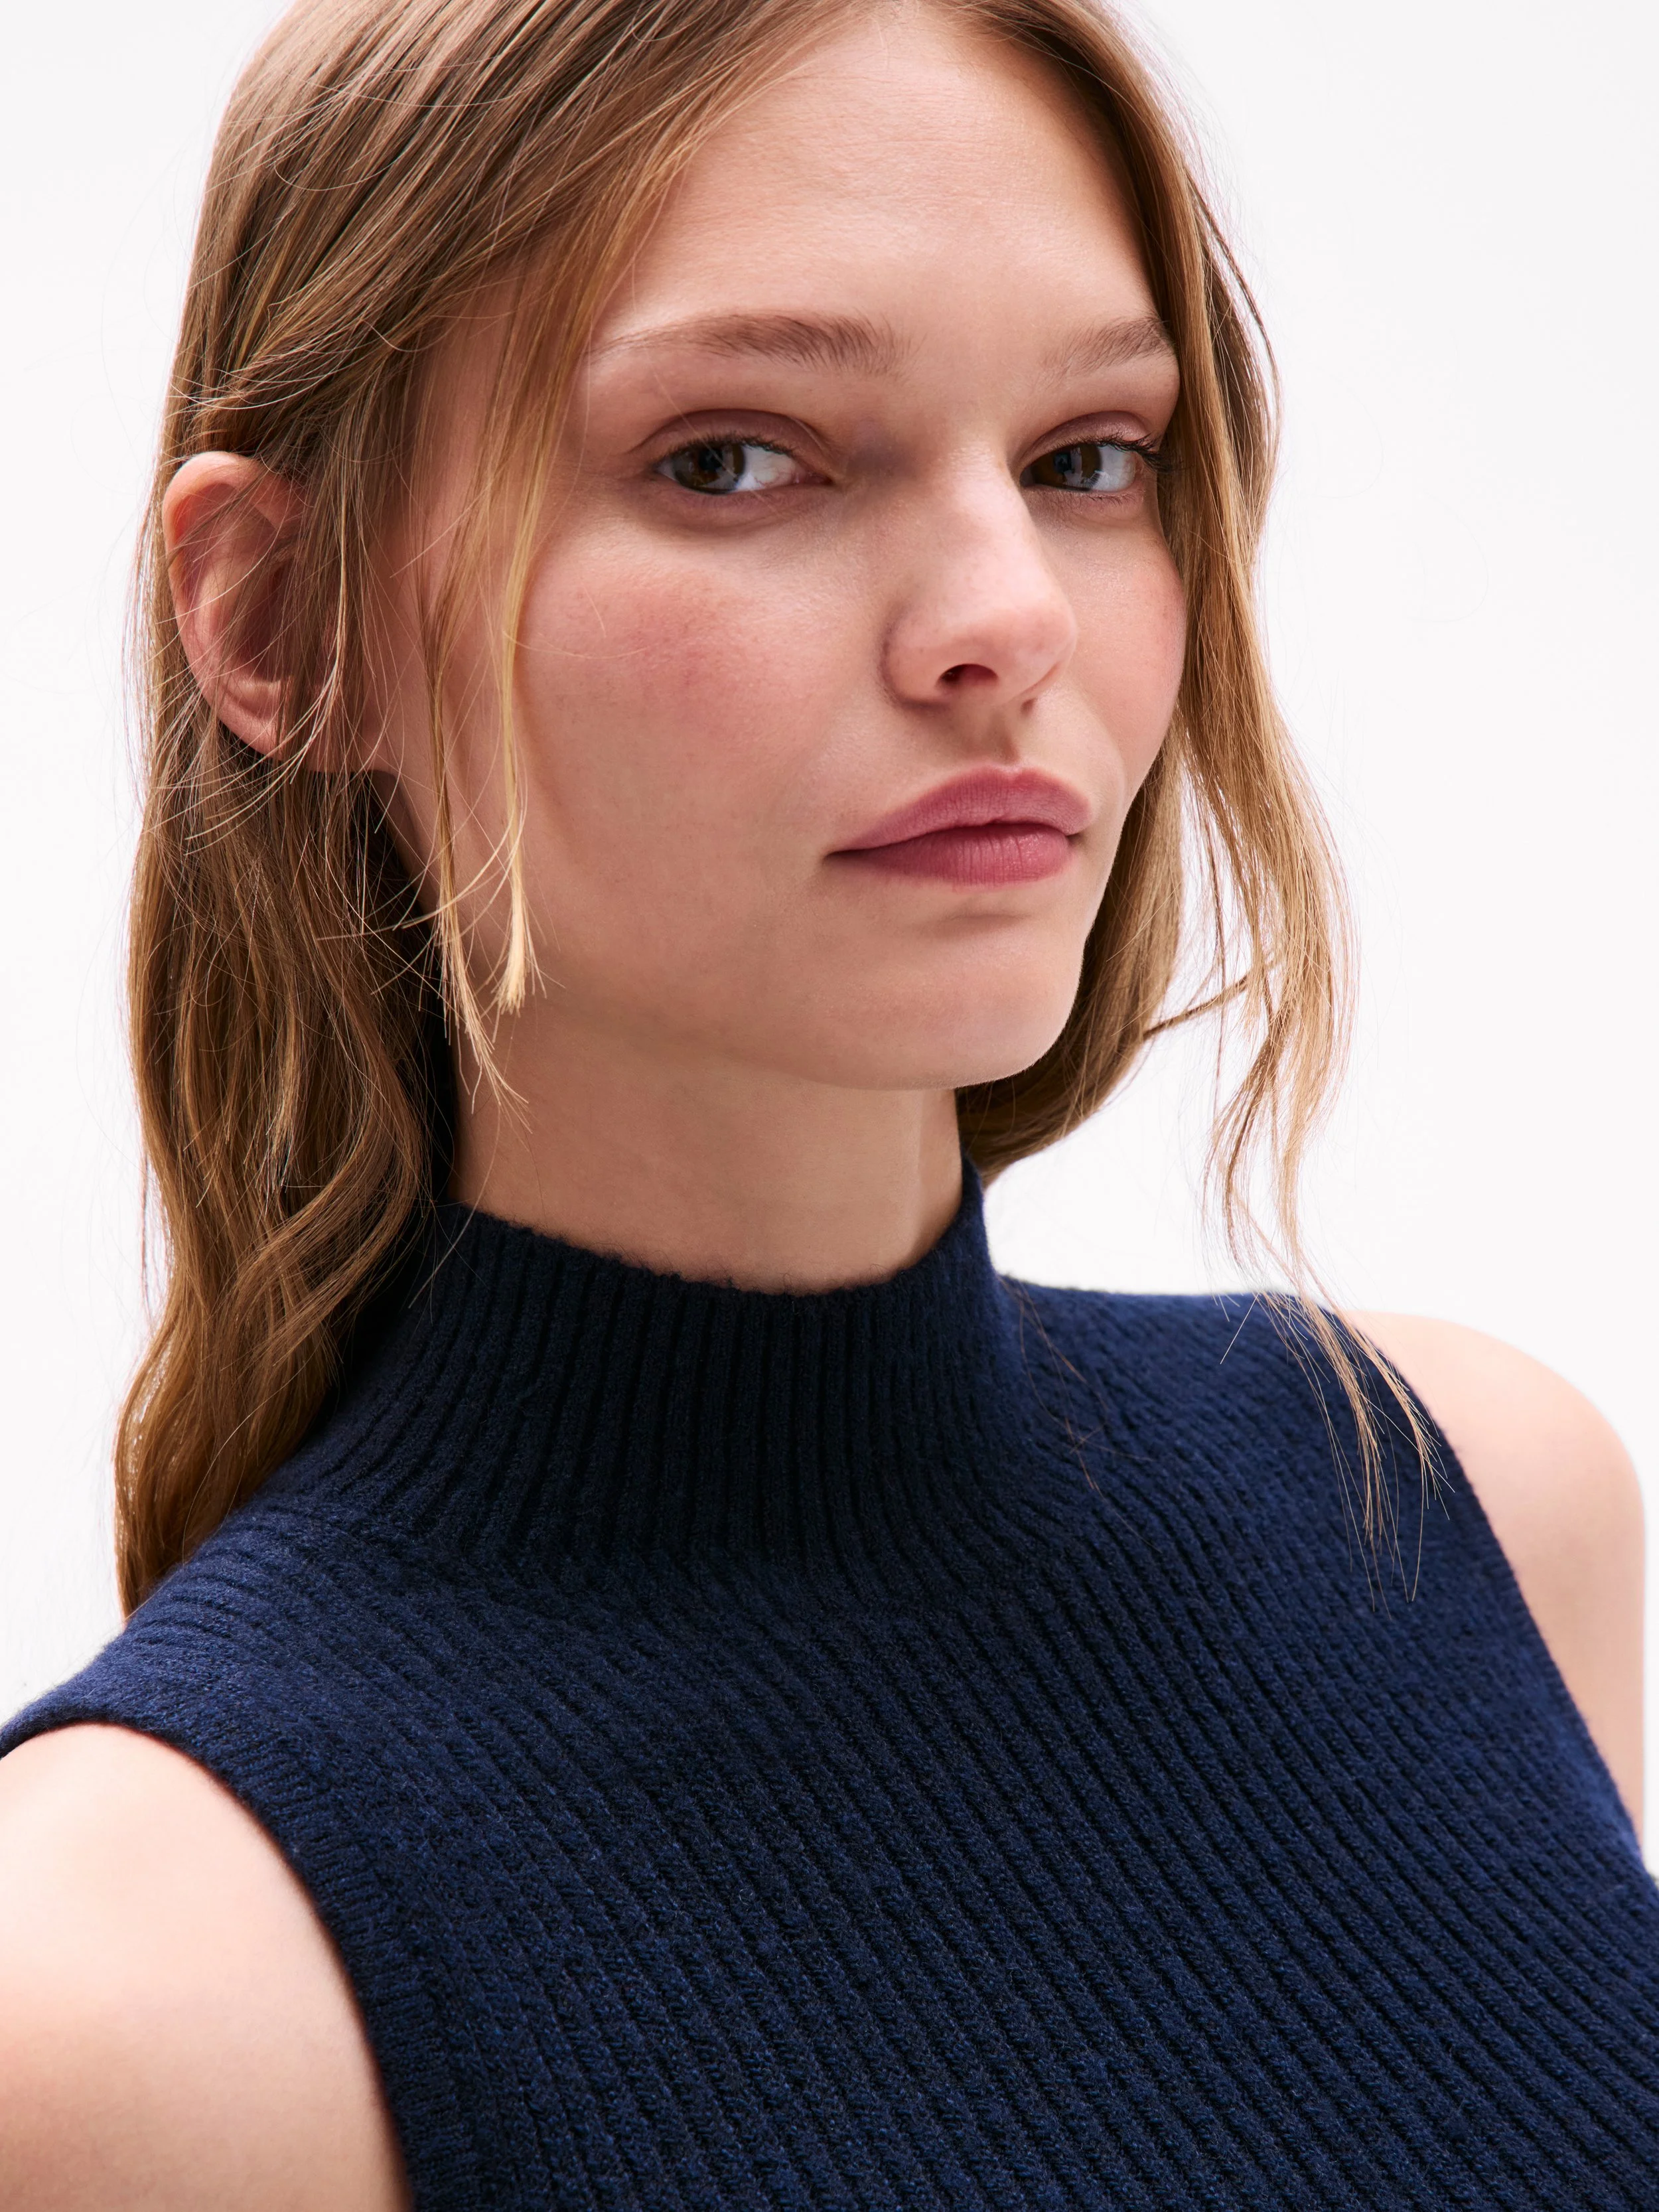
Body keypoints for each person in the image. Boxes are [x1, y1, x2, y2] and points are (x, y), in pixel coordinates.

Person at [0, 0, 1652, 2202]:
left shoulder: (1460, 1508)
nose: (1002, 623)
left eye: (1087, 458)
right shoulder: (138, 1984)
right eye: (736, 457)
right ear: (284, 617)